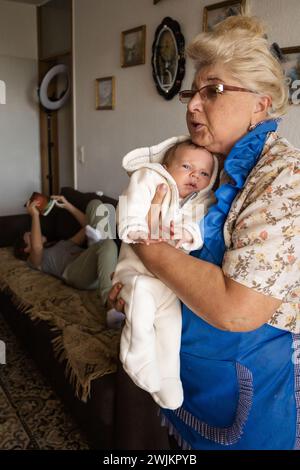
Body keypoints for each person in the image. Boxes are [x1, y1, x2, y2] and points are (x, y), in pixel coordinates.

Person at [107, 15, 300, 450]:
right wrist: (134, 285)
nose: (193, 105)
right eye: (192, 92)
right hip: (187, 378)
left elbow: (238, 309)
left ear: (261, 104)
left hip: (245, 390)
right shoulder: (201, 166)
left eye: (212, 91)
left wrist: (147, 248)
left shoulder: (284, 177)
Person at [112, 139, 217, 410]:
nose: (196, 176)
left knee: (171, 328)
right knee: (142, 310)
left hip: (167, 282)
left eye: (204, 173)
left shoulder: (202, 200)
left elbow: (199, 226)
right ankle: (138, 355)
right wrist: (135, 227)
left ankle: (169, 379)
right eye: (186, 167)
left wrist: (187, 234)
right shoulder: (150, 177)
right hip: (134, 274)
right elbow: (130, 201)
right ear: (166, 166)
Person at [14, 195, 118, 307]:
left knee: (95, 204)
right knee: (107, 243)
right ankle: (109, 303)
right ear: (27, 249)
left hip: (100, 264)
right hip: (76, 274)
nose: (35, 235)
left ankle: (98, 241)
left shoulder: (61, 244)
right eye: (31, 236)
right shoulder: (35, 261)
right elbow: (37, 247)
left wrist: (68, 206)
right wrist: (35, 215)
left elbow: (86, 227)